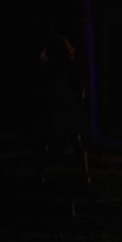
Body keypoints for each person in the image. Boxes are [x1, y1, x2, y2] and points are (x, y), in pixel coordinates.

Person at [36, 34, 90, 186]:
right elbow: (80, 88)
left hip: (61, 108)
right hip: (60, 108)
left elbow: (79, 88)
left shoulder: (58, 68)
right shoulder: (59, 67)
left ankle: (41, 174)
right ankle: (84, 176)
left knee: (53, 141)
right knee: (71, 141)